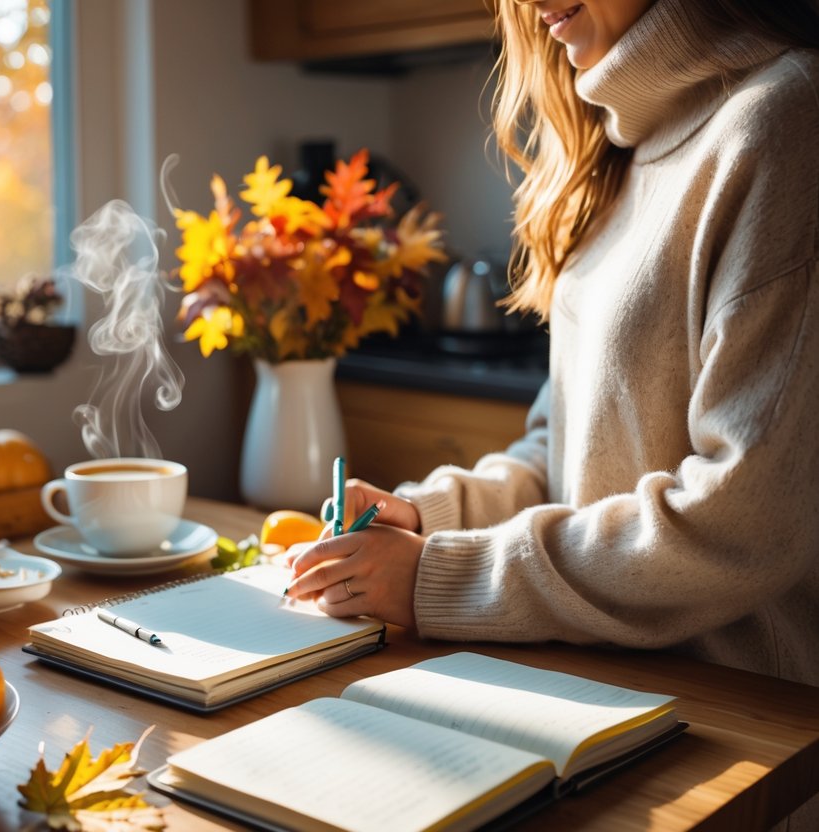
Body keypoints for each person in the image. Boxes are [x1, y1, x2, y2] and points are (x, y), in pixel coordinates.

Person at [286, 0, 819, 707]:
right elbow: (560, 456)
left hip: (734, 718)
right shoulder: (609, 153)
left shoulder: (783, 118)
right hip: (594, 687)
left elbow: (738, 522)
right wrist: (431, 518)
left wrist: (440, 576)